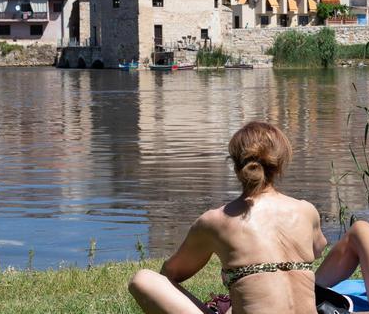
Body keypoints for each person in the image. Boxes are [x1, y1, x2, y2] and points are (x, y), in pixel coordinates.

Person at [129, 122, 328, 314]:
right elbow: (318, 249)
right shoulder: (305, 210)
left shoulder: (216, 221)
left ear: (235, 166)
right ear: (280, 164)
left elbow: (171, 274)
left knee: (143, 279)